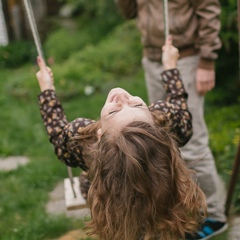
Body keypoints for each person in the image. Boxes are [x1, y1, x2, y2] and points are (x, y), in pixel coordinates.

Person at [36, 37, 206, 240]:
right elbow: (182, 112)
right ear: (155, 122)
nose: (122, 99)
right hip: (157, 202)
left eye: (114, 113)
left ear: (100, 137)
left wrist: (47, 90)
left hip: (117, 207)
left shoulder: (84, 141)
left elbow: (57, 135)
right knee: (165, 225)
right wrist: (170, 67)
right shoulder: (166, 121)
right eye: (136, 106)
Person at [115, 0, 228, 239]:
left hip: (185, 57)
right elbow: (129, 12)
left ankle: (215, 216)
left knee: (192, 139)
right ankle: (183, 209)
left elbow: (209, 9)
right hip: (152, 58)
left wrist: (207, 60)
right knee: (163, 140)